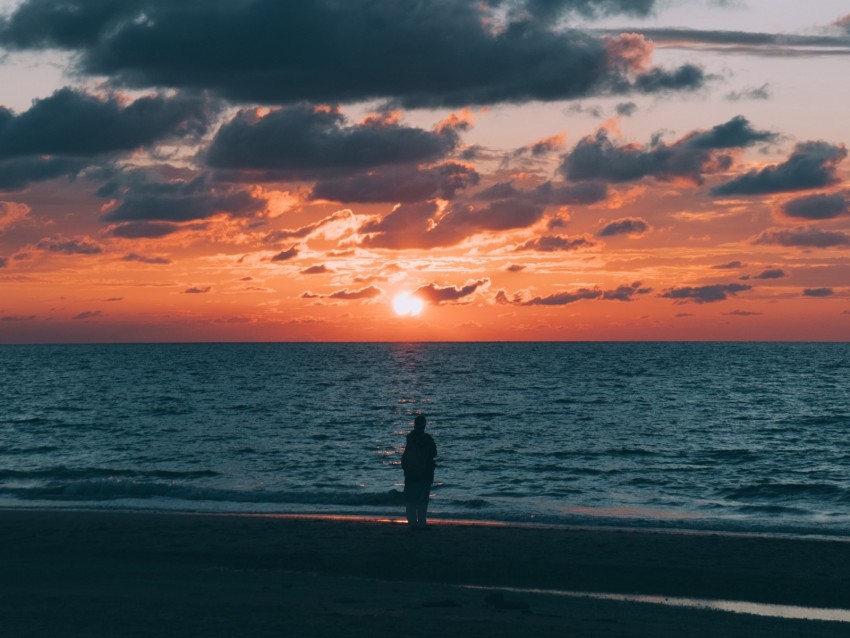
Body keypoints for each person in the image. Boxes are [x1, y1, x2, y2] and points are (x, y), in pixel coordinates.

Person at [401, 414, 437, 530]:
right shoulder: (427, 438)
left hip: (410, 473)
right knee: (422, 499)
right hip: (425, 473)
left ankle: (412, 523)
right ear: (424, 425)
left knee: (411, 499)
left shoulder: (410, 438)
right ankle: (421, 524)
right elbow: (434, 453)